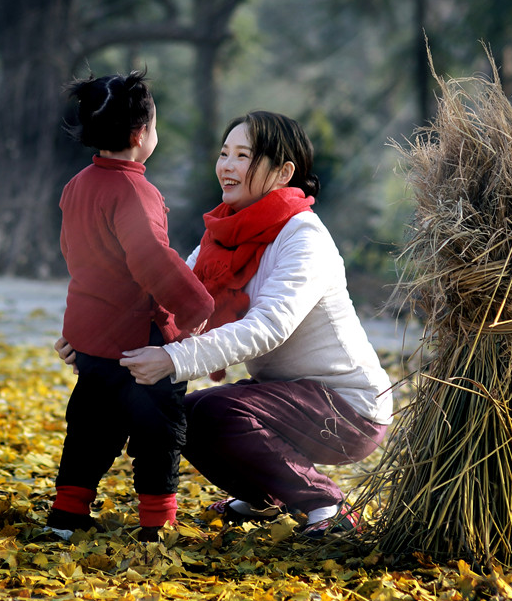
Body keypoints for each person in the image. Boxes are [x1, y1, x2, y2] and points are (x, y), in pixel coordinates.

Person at [61, 110, 393, 539]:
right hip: (286, 396)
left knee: (219, 411)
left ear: (283, 172)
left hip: (348, 408)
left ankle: (326, 504)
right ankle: (263, 499)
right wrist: (91, 341)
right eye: (224, 153)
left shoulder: (303, 237)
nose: (227, 166)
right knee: (189, 415)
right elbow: (168, 299)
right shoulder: (223, 232)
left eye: (244, 156)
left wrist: (173, 358)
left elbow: (269, 326)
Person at [47, 71, 215, 543]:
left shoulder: (77, 186)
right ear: (142, 135)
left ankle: (66, 515)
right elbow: (151, 260)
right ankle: (156, 525)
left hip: (92, 339)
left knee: (89, 429)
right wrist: (196, 306)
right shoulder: (134, 191)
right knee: (157, 431)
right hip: (140, 341)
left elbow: (73, 253)